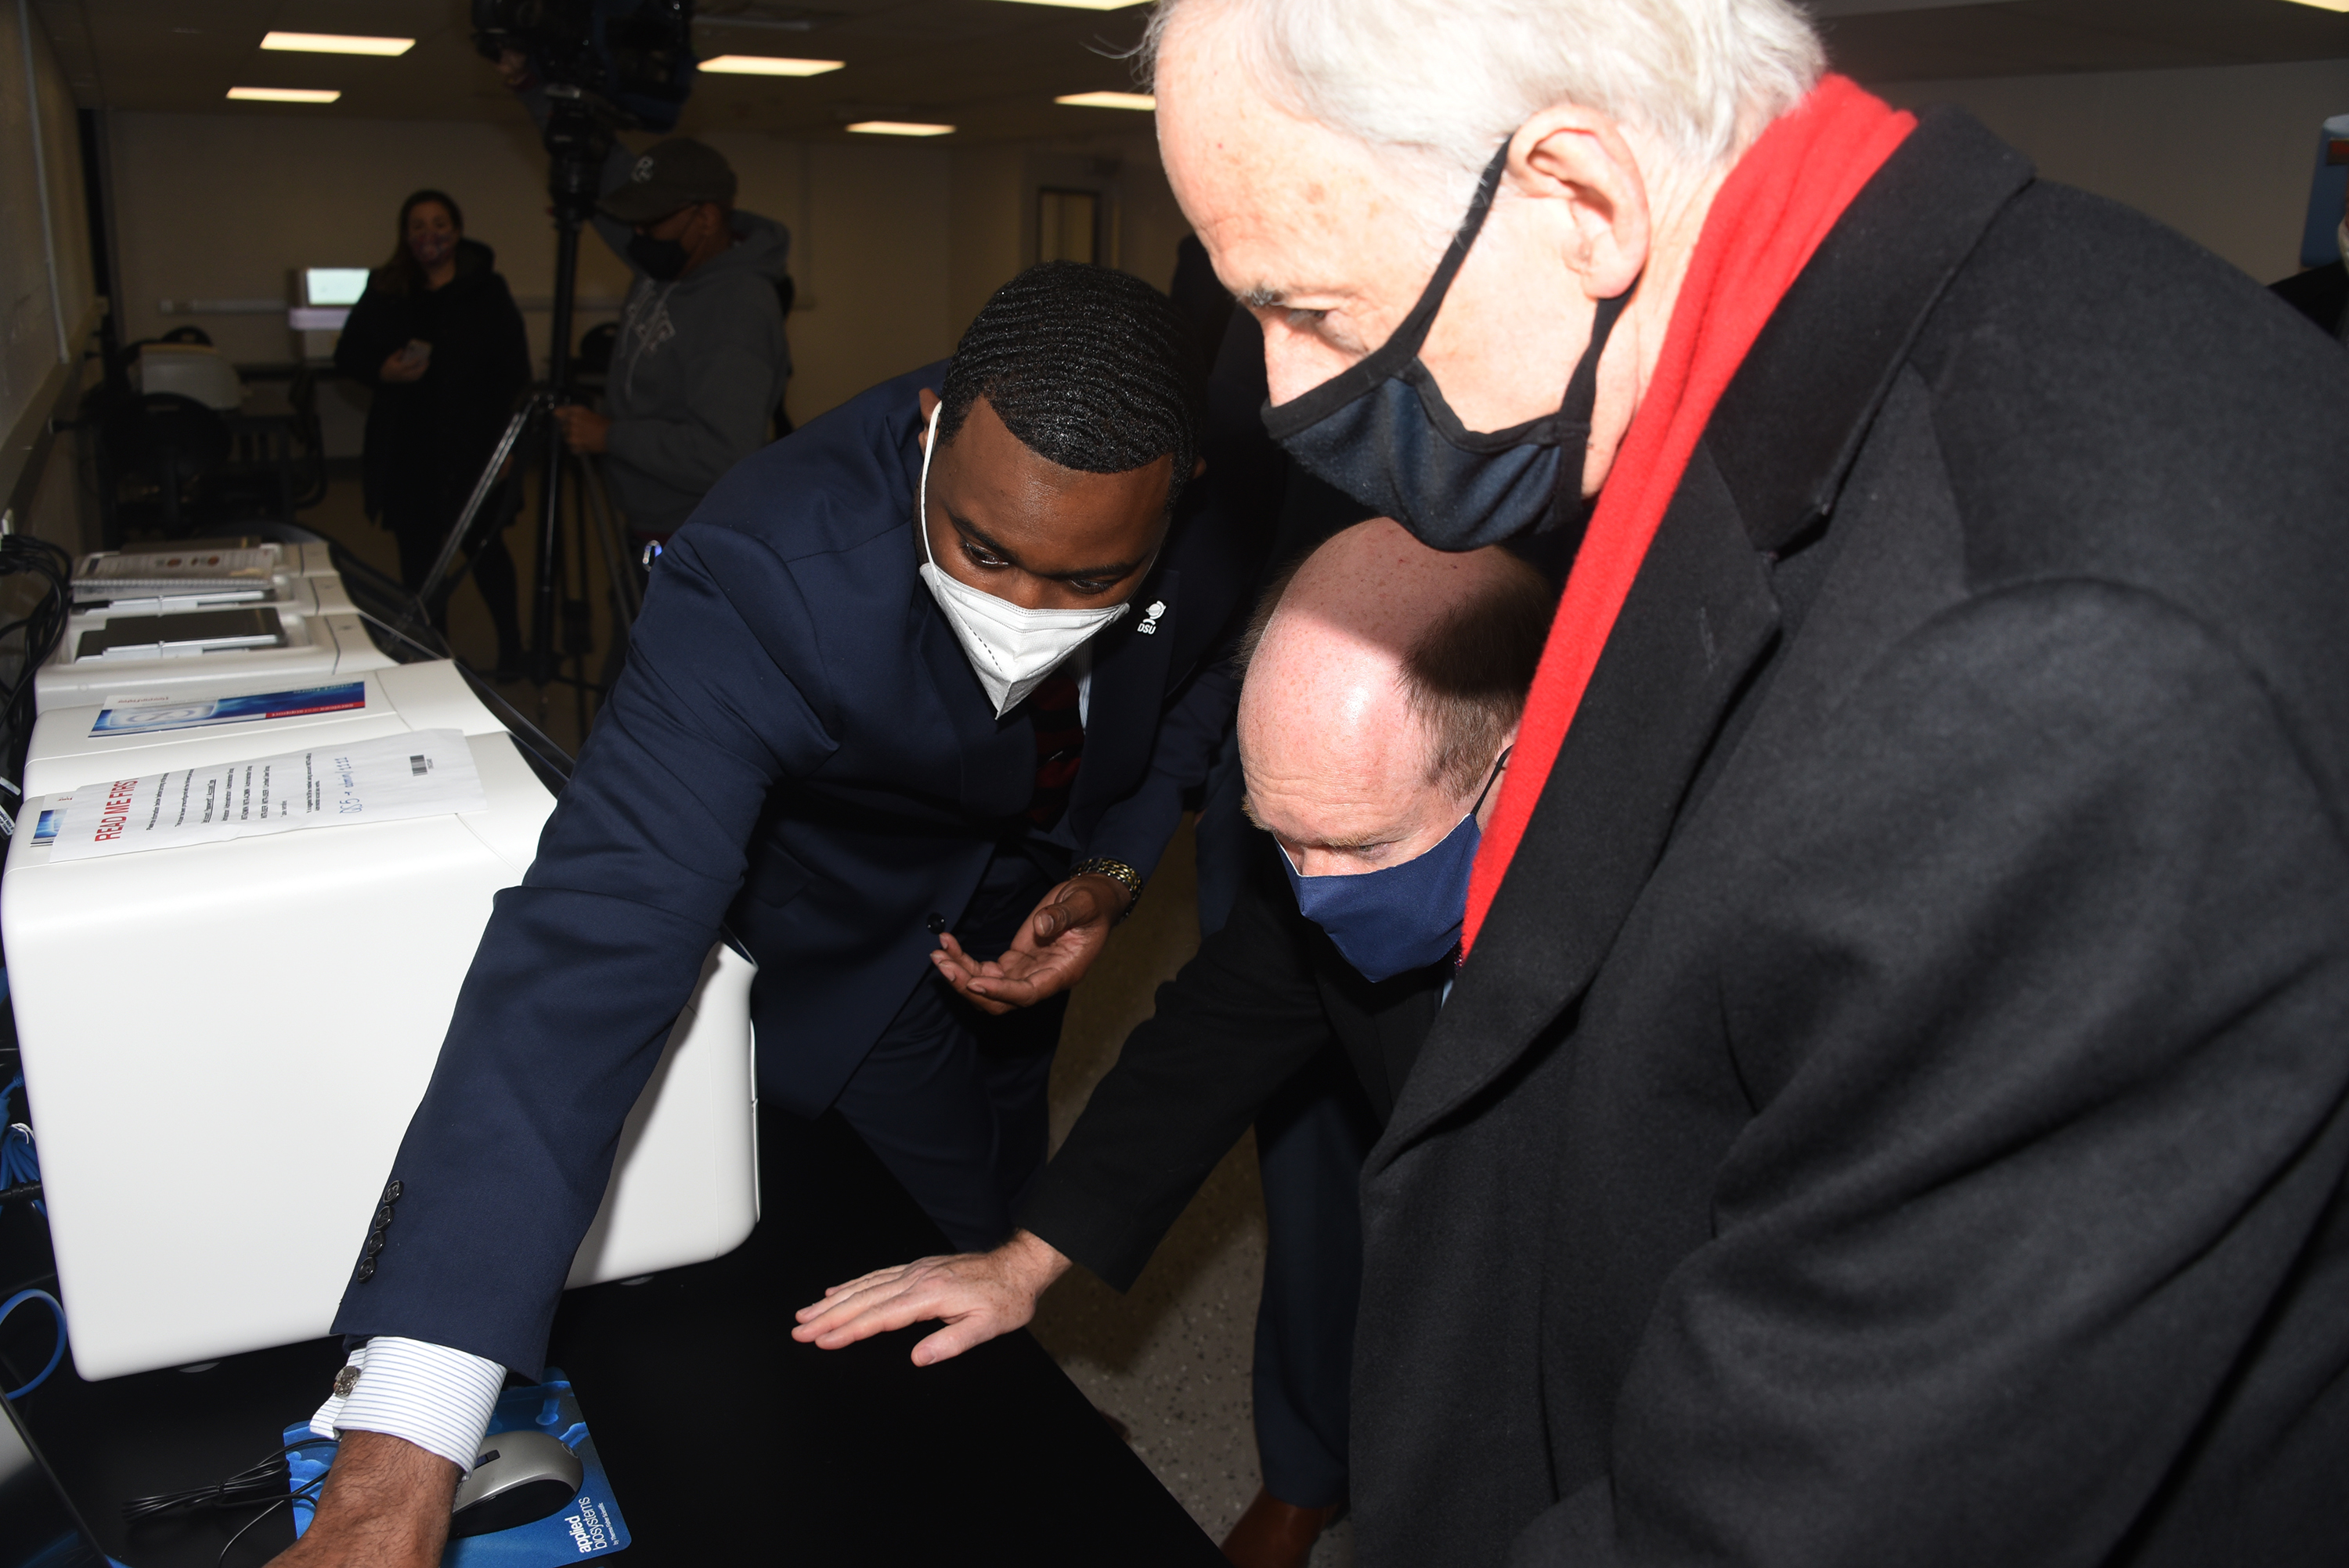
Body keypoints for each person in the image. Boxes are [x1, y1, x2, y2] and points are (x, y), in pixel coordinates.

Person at [1139, 0, 2349, 1563]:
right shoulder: (1794, 359)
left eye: (1305, 303)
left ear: (1580, 201)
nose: (1281, 383)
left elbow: (1815, 1502)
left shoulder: (2058, 655)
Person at [270, 262, 1267, 1568]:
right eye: (985, 552)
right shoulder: (767, 568)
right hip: (856, 905)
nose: (1028, 616)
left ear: (1176, 503)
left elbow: (1198, 682)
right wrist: (393, 1469)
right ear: (928, 437)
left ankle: (1021, 1421)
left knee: (1008, 1164)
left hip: (1046, 879)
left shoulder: (1229, 508)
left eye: (1087, 584)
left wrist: (1124, 868)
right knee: (913, 1217)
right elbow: (598, 936)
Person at [798, 519, 1552, 1568]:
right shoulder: (1327, 851)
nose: (1316, 893)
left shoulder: (1707, 935)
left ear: (1523, 757)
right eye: (1281, 837)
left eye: (1361, 846)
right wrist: (1023, 1260)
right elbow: (1213, 1034)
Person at [502, 52, 793, 551]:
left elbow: (723, 452)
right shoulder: (671, 259)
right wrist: (533, 85)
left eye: (651, 222)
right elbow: (604, 167)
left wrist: (610, 436)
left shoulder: (737, 309)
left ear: (704, 219)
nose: (637, 235)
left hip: (694, 530)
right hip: (650, 515)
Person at [334, 189, 531, 674]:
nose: (429, 235)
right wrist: (384, 369)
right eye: (418, 226)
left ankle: (513, 652)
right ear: (405, 235)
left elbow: (515, 372)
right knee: (421, 564)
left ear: (457, 230)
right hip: (410, 451)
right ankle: (434, 661)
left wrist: (512, 447)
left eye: (439, 224)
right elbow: (348, 353)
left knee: (486, 552)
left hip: (475, 448)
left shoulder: (488, 290)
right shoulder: (388, 289)